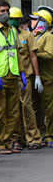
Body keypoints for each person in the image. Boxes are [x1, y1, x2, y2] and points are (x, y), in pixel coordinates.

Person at [0, 1, 26, 155]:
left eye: (7, 11)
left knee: (13, 112)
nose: (5, 13)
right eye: (2, 11)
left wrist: (21, 73)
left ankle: (7, 141)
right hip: (0, 76)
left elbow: (17, 53)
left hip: (13, 75)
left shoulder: (14, 31)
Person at [8, 7, 43, 150]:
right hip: (10, 76)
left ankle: (33, 138)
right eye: (13, 19)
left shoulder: (27, 36)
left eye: (17, 19)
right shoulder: (7, 36)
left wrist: (37, 76)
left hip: (25, 77)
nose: (15, 22)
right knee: (13, 110)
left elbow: (33, 56)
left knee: (27, 107)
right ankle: (17, 138)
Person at [30, 9, 53, 147]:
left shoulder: (48, 36)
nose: (33, 22)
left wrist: (34, 55)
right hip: (35, 77)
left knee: (49, 108)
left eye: (36, 20)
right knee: (35, 107)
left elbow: (50, 54)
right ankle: (39, 133)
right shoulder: (34, 36)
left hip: (47, 77)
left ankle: (49, 135)